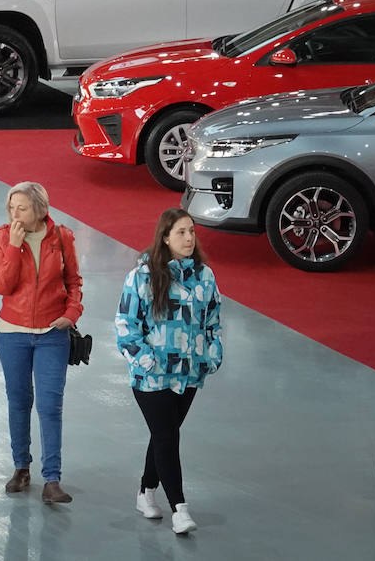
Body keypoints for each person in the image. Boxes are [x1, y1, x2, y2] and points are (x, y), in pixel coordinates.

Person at [115, 208, 223, 536]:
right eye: (180, 232)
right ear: (165, 238)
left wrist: (211, 356)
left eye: (191, 231)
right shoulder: (142, 277)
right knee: (167, 436)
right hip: (151, 377)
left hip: (188, 374)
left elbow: (213, 322)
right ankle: (179, 508)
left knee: (164, 433)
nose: (189, 238)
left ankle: (146, 491)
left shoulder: (205, 276)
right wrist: (148, 362)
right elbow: (126, 326)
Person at [0, 182, 83, 504]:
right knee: (18, 401)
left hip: (52, 334)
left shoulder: (63, 237)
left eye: (22, 208)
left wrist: (72, 312)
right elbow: (1, 286)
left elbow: (73, 281)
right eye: (11, 208)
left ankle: (52, 479)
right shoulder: (2, 237)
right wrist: (14, 247)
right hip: (12, 333)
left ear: (40, 210)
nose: (15, 214)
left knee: (49, 405)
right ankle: (21, 468)